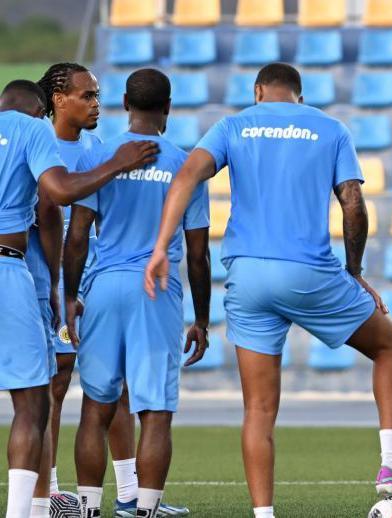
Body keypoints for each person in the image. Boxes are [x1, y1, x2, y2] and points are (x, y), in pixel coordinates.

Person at [143, 62, 392, 518]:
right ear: (300, 95)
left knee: (258, 410)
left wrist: (161, 246)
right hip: (310, 274)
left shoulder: (233, 125)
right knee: (390, 346)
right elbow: (353, 204)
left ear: (258, 91)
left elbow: (185, 177)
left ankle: (264, 515)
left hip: (248, 277)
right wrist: (354, 271)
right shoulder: (330, 128)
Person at [33, 62, 192, 518]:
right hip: (55, 276)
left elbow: (85, 227)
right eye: (87, 96)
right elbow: (55, 208)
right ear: (59, 100)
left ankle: (123, 495)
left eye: (98, 96)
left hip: (93, 280)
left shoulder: (95, 148)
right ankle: (47, 495)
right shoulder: (41, 144)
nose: (95, 104)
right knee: (55, 385)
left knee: (107, 394)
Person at [0, 78, 157, 518]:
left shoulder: (83, 141)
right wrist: (118, 164)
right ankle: (29, 509)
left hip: (28, 272)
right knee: (33, 402)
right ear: (42, 108)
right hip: (9, 267)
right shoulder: (33, 130)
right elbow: (57, 195)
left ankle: (53, 501)